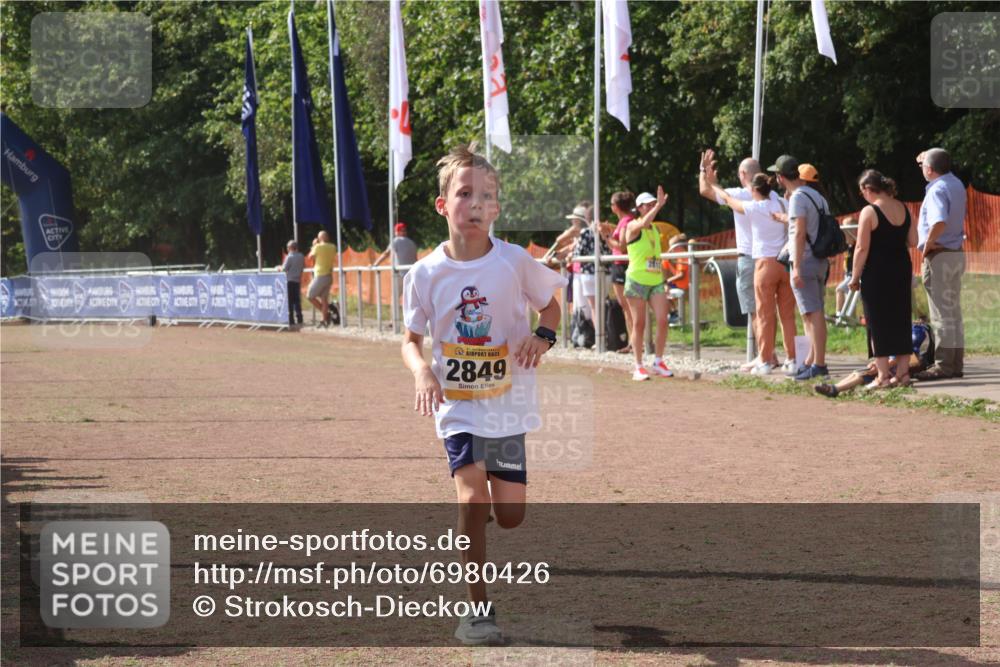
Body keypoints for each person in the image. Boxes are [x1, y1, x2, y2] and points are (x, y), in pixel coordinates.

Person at [400, 144, 565, 646]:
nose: (475, 204)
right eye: (464, 193)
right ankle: (477, 610)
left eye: (485, 196)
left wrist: (543, 338)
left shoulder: (514, 261)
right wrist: (422, 372)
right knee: (471, 501)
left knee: (510, 516)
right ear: (442, 204)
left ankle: (489, 515)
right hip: (458, 406)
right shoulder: (425, 273)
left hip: (507, 404)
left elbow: (551, 310)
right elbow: (410, 341)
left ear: (495, 208)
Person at [699, 149, 783, 371]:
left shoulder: (743, 194)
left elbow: (704, 190)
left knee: (756, 311)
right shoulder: (774, 196)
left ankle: (765, 355)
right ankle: (773, 354)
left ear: (743, 174)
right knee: (772, 311)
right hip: (776, 259)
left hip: (750, 258)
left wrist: (704, 171)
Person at [708, 171, 796, 375]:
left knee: (764, 315)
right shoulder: (783, 204)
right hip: (785, 262)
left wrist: (714, 185)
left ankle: (765, 361)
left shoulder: (754, 207)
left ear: (755, 190)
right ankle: (792, 359)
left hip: (765, 264)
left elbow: (730, 200)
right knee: (787, 315)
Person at [849, 170, 916, 388]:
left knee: (877, 322)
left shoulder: (870, 211)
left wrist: (855, 275)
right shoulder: (903, 207)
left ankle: (883, 376)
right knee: (901, 319)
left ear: (869, 189)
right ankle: (903, 374)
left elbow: (861, 247)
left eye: (862, 192)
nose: (863, 196)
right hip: (901, 268)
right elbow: (913, 241)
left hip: (877, 271)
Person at [768, 154, 830, 381]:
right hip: (821, 259)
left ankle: (819, 364)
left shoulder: (797, 198)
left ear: (780, 177)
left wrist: (795, 266)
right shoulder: (817, 195)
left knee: (813, 314)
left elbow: (799, 232)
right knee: (813, 312)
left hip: (806, 260)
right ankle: (811, 360)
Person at [914, 147, 967, 381]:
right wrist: (927, 157)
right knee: (953, 311)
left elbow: (938, 222)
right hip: (956, 252)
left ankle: (943, 365)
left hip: (940, 253)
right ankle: (955, 364)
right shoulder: (955, 184)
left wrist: (927, 244)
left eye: (924, 165)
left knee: (940, 313)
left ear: (929, 169)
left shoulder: (936, 190)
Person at [623, 185, 673, 380]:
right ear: (639, 208)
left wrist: (665, 279)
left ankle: (658, 361)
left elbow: (657, 257)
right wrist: (659, 206)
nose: (652, 206)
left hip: (655, 281)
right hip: (636, 280)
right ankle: (638, 365)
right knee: (639, 323)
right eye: (648, 205)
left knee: (663, 319)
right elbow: (643, 223)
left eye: (653, 203)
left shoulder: (654, 229)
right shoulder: (633, 226)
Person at [607, 191, 637, 354]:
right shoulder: (625, 221)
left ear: (616, 207)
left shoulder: (626, 222)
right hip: (623, 265)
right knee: (628, 307)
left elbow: (621, 245)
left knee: (628, 306)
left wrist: (605, 236)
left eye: (612, 204)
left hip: (622, 265)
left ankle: (635, 342)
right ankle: (633, 342)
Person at [573, 203, 611, 316]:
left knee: (594, 308)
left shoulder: (585, 232)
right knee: (603, 306)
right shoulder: (607, 231)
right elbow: (610, 250)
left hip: (589, 273)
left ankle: (598, 333)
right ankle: (605, 331)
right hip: (605, 272)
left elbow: (577, 253)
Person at [373, 222, 420, 303]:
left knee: (395, 298)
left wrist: (375, 264)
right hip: (412, 274)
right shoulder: (412, 243)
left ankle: (394, 315)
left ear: (396, 232)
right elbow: (415, 259)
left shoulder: (396, 241)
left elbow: (386, 253)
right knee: (410, 299)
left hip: (399, 274)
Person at [307, 230, 337, 326]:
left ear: (319, 238)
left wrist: (313, 245)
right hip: (329, 275)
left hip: (320, 275)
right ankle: (325, 319)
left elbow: (309, 257)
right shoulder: (333, 247)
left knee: (310, 296)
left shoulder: (317, 247)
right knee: (324, 299)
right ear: (327, 237)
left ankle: (326, 314)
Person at [280, 240, 305, 328]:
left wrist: (279, 268)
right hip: (297, 280)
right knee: (297, 301)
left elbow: (284, 268)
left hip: (289, 280)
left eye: (287, 247)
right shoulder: (301, 256)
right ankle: (300, 318)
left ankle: (291, 320)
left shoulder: (289, 257)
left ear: (290, 248)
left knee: (290, 301)